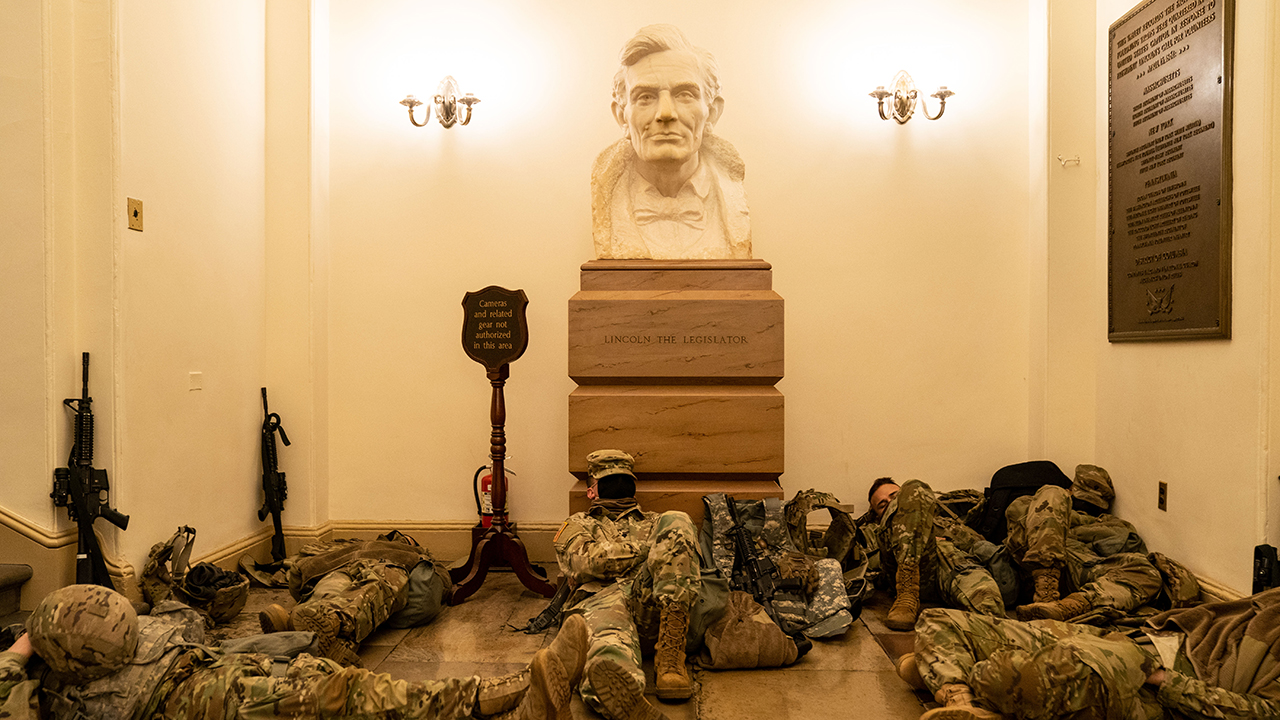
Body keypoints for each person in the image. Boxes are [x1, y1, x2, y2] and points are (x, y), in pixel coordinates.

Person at [1, 583, 589, 720]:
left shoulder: (98, 649)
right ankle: (503, 700)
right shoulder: (48, 696)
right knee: (347, 694)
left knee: (314, 664)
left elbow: (183, 619)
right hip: (196, 694)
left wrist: (24, 645)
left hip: (204, 668)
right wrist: (24, 651)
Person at [898, 587, 1280, 720]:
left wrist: (1166, 680)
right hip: (1131, 639)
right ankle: (959, 695)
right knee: (937, 620)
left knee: (1007, 674)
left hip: (1158, 686)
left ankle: (951, 670)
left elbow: (1266, 713)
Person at [553, 449, 708, 720]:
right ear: (591, 491)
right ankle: (625, 698)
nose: (619, 486)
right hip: (600, 604)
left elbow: (675, 558)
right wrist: (651, 549)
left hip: (653, 608)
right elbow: (588, 561)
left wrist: (628, 553)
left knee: (679, 519)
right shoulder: (578, 523)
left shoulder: (660, 521)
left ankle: (671, 660)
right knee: (608, 654)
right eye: (610, 480)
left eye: (623, 480)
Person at [591, 24, 751, 260]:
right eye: (645, 97)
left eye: (684, 95)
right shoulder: (608, 191)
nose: (666, 113)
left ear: (713, 112)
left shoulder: (729, 195)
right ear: (621, 116)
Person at [255, 530, 450, 666]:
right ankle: (324, 634)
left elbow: (442, 582)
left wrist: (423, 558)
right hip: (343, 566)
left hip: (388, 567)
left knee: (374, 587)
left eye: (410, 539)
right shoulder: (356, 543)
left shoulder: (418, 555)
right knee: (328, 588)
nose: (406, 539)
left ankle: (322, 625)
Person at [1005, 465, 1162, 622]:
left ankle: (1070, 606)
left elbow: (1123, 535)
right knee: (1053, 492)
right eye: (1081, 500)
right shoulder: (1044, 499)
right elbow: (1017, 513)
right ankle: (1046, 592)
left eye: (1092, 505)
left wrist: (1074, 521)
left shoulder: (1110, 521)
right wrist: (1068, 517)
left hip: (1078, 569)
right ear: (1071, 490)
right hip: (1030, 561)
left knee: (1148, 571)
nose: (1085, 507)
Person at [866, 478, 1007, 631]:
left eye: (895, 496)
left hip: (958, 565)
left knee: (991, 613)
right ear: (877, 515)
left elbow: (977, 544)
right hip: (920, 572)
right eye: (882, 504)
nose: (891, 502)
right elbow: (871, 565)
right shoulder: (875, 531)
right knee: (915, 486)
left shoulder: (946, 521)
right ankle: (907, 591)